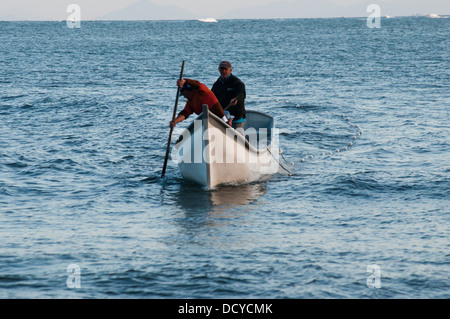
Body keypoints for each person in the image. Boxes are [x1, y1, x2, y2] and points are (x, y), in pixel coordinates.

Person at [211, 61, 246, 135]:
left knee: (239, 140)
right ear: (219, 70)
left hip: (236, 119)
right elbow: (211, 98)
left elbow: (241, 93)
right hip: (223, 119)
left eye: (225, 69)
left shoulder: (237, 82)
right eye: (221, 69)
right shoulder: (216, 85)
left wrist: (236, 99)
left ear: (230, 70)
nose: (223, 71)